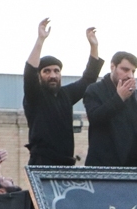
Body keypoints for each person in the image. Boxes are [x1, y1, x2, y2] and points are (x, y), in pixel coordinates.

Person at [23, 17, 103, 166]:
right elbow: (29, 73)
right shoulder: (35, 96)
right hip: (42, 162)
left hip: (66, 162)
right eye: (46, 71)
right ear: (39, 75)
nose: (52, 75)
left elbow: (88, 78)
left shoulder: (66, 95)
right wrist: (40, 40)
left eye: (56, 71)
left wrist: (94, 47)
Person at [84, 51, 137, 167]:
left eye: (133, 71)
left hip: (132, 166)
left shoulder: (136, 96)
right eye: (125, 70)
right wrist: (119, 98)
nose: (130, 75)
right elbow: (95, 118)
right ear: (112, 67)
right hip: (103, 165)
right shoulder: (94, 90)